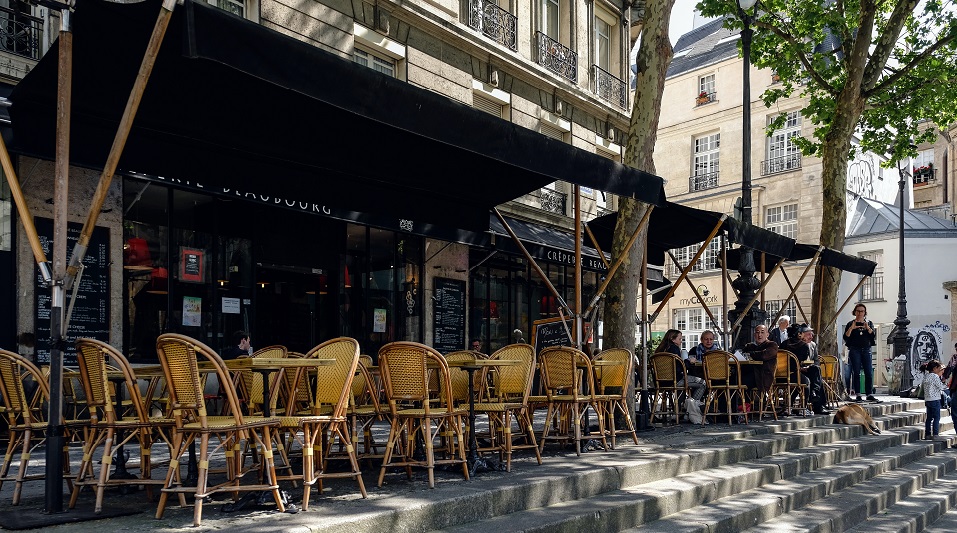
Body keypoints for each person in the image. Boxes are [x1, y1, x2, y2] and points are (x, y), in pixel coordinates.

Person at [785, 324, 829, 415]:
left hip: (808, 370)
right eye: (808, 334)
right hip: (794, 372)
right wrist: (800, 368)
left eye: (812, 334)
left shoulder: (812, 345)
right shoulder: (793, 344)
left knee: (816, 369)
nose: (811, 336)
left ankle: (814, 395)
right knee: (815, 377)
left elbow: (816, 361)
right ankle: (817, 402)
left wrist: (808, 367)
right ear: (800, 334)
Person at [654, 329, 706, 402]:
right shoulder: (674, 348)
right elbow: (679, 368)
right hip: (675, 380)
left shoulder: (659, 349)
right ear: (673, 339)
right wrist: (689, 362)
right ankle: (692, 405)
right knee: (703, 383)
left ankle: (680, 406)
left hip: (660, 382)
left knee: (684, 383)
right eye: (679, 339)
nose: (681, 341)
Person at [843, 303, 877, 402]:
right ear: (855, 312)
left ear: (865, 313)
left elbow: (872, 336)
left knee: (868, 372)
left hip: (866, 349)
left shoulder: (869, 323)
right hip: (855, 349)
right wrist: (852, 328)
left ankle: (869, 393)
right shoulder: (850, 323)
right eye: (858, 311)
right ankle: (858, 394)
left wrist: (868, 328)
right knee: (856, 372)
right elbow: (846, 337)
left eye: (862, 311)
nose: (860, 313)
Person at [742, 324, 779, 395]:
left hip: (763, 375)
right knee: (731, 379)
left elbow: (763, 356)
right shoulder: (749, 346)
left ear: (767, 334)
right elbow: (742, 355)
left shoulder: (772, 345)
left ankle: (745, 404)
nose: (759, 335)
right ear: (754, 334)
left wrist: (750, 354)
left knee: (742, 381)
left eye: (762, 332)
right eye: (757, 332)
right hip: (748, 372)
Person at [920, 359, 946, 439]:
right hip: (935, 399)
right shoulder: (935, 376)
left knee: (929, 418)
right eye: (939, 368)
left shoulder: (926, 376)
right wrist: (946, 385)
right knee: (936, 417)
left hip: (928, 399)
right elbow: (940, 386)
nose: (940, 370)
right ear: (935, 368)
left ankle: (927, 434)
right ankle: (935, 434)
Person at [943, 343, 957, 414]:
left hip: (955, 386)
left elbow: (949, 368)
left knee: (955, 408)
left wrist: (944, 377)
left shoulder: (955, 357)